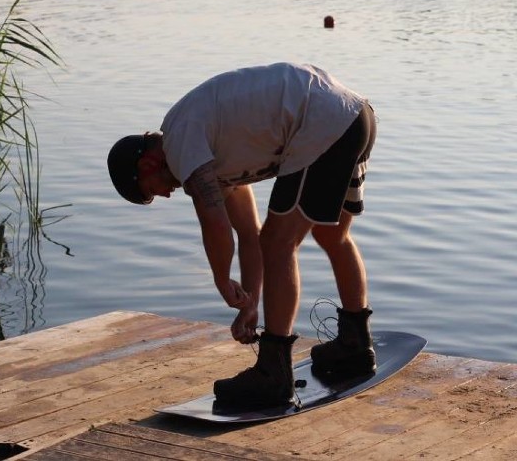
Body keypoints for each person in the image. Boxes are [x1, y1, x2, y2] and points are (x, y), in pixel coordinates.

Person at [107, 62, 377, 408]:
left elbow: (216, 225)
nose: (164, 195)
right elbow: (248, 234)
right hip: (355, 117)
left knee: (280, 245)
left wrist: (222, 280)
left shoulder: (181, 141)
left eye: (151, 191)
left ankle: (274, 374)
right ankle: (355, 345)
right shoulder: (209, 148)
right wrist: (249, 304)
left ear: (146, 166)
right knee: (330, 237)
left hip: (323, 124)